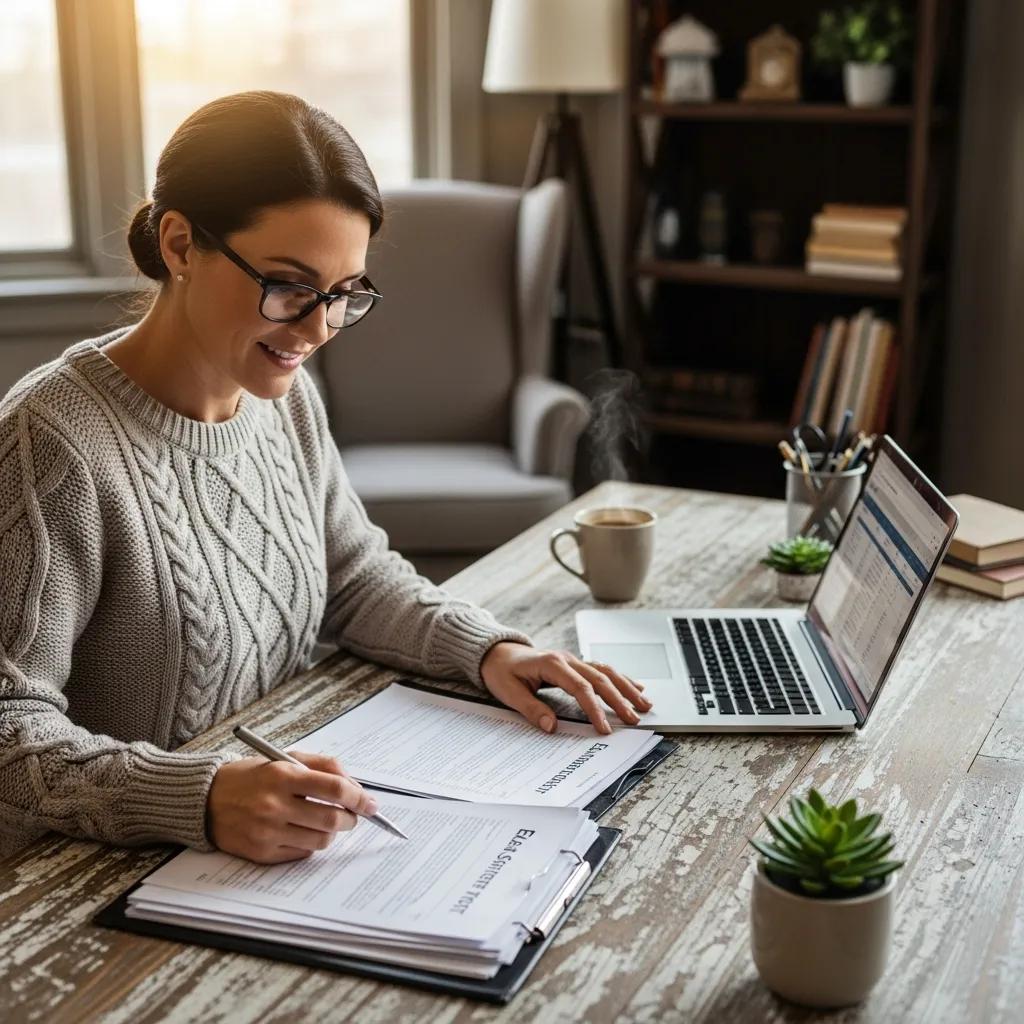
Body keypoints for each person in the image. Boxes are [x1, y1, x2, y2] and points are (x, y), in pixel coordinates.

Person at [0, 91, 651, 866]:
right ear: (179, 244)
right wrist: (197, 796)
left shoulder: (283, 396)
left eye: (344, 295)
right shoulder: (53, 444)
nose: (317, 330)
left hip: (275, 846)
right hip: (99, 876)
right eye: (289, 286)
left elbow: (354, 576)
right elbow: (11, 728)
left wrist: (486, 653)